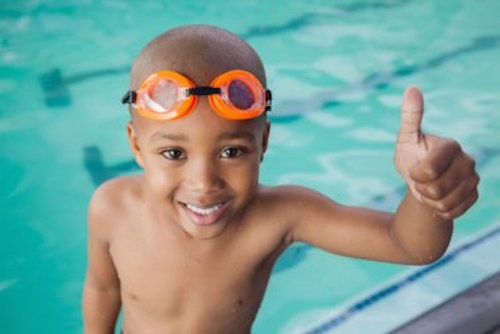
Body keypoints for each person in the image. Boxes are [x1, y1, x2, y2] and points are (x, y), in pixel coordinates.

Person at [82, 24, 479, 333]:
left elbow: (407, 245)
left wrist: (427, 196)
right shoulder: (111, 208)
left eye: (232, 152)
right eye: (174, 154)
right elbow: (103, 288)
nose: (203, 184)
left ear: (264, 141)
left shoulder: (280, 217)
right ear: (136, 145)